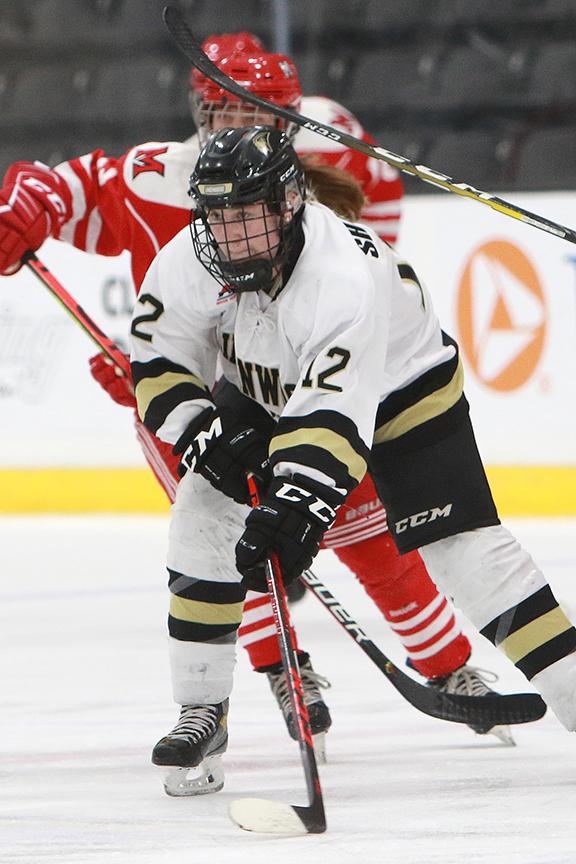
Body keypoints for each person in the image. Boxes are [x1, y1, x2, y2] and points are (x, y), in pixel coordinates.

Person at [0, 35, 510, 764]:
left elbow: (371, 248)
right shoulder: (157, 175)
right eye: (221, 110)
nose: (236, 127)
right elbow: (58, 191)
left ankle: (448, 664)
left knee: (371, 535)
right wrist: (22, 214)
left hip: (306, 383)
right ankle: (280, 669)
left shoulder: (331, 150)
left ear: (289, 116)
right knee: (228, 543)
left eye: (255, 112)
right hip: (204, 398)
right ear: (197, 110)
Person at [129, 125, 576, 799]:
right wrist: (201, 433)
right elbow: (158, 361)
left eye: (245, 213)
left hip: (404, 394)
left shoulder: (341, 277)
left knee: (467, 554)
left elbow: (333, 417)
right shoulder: (188, 260)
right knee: (201, 513)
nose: (230, 234)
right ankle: (202, 710)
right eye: (217, 215)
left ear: (287, 203)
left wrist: (296, 509)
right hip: (265, 388)